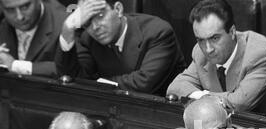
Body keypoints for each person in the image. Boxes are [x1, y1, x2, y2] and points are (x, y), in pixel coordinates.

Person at [166, 0, 266, 115]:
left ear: (232, 32)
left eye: (215, 38)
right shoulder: (199, 52)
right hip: (225, 126)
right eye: (200, 40)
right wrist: (203, 97)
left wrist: (199, 97)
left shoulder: (261, 54)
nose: (208, 49)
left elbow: (239, 104)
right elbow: (176, 87)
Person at [55, 0, 186, 95]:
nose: (95, 27)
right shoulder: (87, 39)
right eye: (87, 22)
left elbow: (144, 84)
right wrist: (68, 28)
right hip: (112, 108)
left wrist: (95, 83)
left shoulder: (157, 32)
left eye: (100, 16)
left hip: (160, 112)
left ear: (118, 10)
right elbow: (72, 79)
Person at [0, 0, 67, 76]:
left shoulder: (65, 24)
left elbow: (70, 70)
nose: (20, 17)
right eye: (10, 10)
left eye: (25, 7)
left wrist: (14, 65)